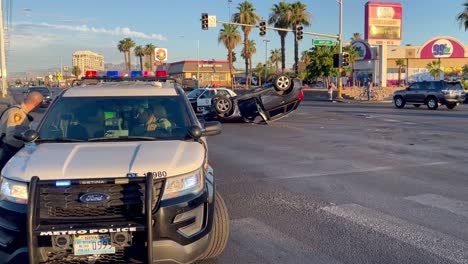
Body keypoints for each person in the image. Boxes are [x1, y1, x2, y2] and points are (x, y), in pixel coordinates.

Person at [0, 91, 44, 169]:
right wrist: (27, 147)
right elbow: (12, 136)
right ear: (37, 104)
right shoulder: (18, 113)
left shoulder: (21, 112)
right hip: (7, 152)